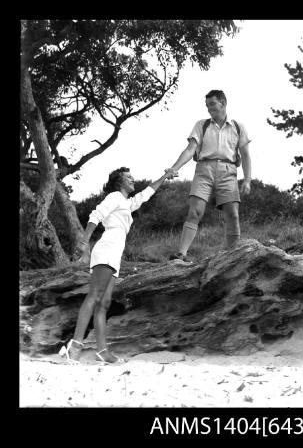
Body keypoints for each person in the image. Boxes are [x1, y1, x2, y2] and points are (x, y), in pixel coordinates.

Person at [60, 167, 174, 363]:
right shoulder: (114, 197)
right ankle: (75, 347)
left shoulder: (126, 203)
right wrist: (83, 241)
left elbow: (146, 194)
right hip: (106, 249)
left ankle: (102, 351)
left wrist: (165, 176)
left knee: (104, 303)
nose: (133, 179)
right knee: (94, 297)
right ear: (119, 182)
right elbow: (95, 215)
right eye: (128, 177)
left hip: (114, 253)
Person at [165, 89, 252, 261]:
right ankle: (181, 254)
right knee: (195, 211)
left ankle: (232, 255)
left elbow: (246, 155)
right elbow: (190, 149)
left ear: (223, 103)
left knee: (232, 214)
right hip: (204, 170)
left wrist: (247, 180)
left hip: (228, 171)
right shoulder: (201, 125)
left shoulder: (237, 126)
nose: (209, 108)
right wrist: (174, 168)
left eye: (212, 104)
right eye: (207, 106)